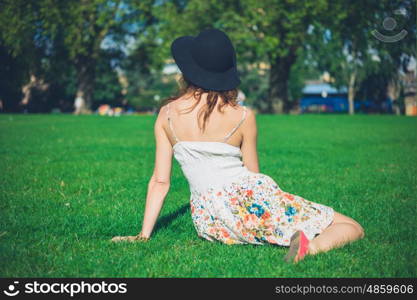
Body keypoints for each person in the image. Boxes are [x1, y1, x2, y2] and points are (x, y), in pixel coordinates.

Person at [111, 29, 365, 263]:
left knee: (313, 221)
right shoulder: (243, 116)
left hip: (211, 221)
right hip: (250, 203)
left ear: (188, 70)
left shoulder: (166, 115)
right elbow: (254, 175)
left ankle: (299, 240)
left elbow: (160, 182)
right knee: (351, 227)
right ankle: (309, 248)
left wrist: (143, 235)